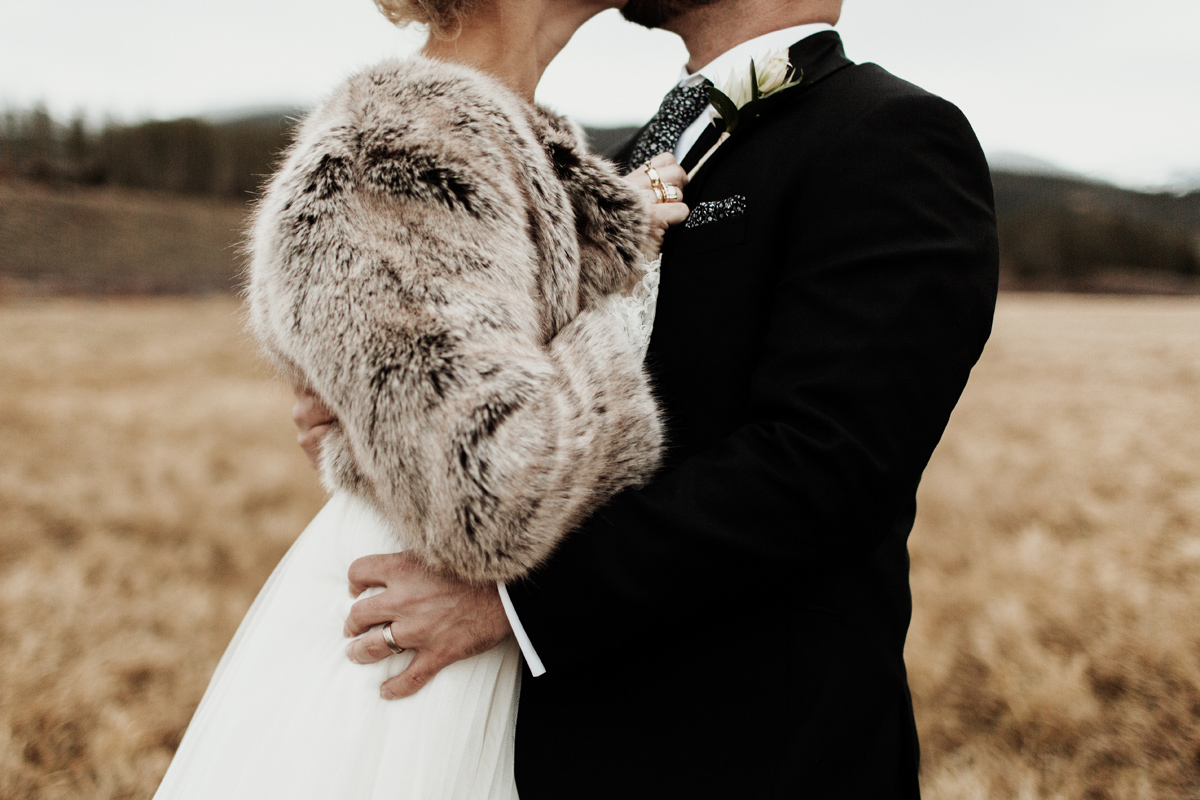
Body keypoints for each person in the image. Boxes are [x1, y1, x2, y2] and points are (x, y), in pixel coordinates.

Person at [310, 0, 1001, 796]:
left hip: (753, 749)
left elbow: (824, 467)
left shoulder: (892, 137)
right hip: (562, 744)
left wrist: (516, 603)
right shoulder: (629, 154)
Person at [151, 0, 692, 795]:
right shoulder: (397, 150)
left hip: (482, 635)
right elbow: (488, 496)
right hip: (415, 652)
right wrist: (626, 298)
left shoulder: (496, 132)